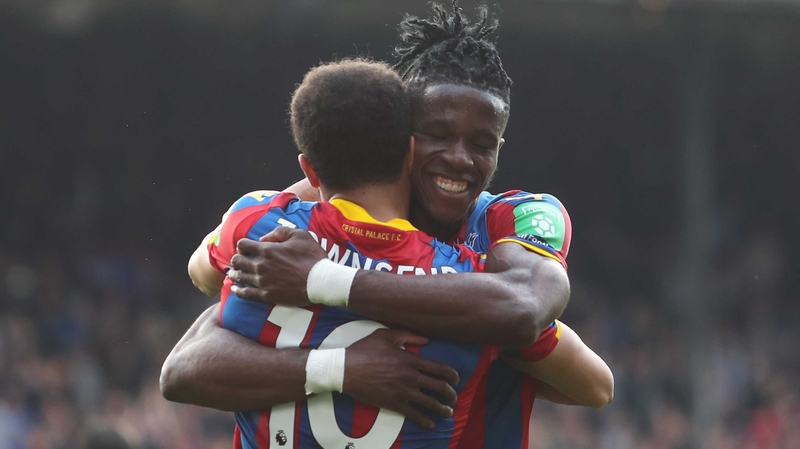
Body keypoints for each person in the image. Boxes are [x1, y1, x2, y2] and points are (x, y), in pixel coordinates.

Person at [162, 2, 613, 448]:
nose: (460, 158)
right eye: (438, 134)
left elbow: (529, 318)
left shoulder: (515, 220)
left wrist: (323, 280)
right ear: (403, 138)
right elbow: (192, 338)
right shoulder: (472, 272)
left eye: (482, 143)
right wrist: (347, 363)